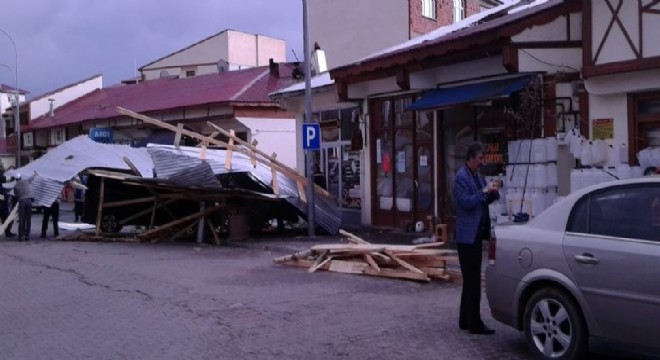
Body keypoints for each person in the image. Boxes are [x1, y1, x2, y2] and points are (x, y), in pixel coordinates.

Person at [453, 142, 500, 335]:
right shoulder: (461, 177)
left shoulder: (476, 175)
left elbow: (483, 201)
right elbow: (466, 202)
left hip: (476, 235)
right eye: (480, 158)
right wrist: (483, 192)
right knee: (472, 282)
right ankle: (475, 323)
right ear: (471, 158)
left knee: (470, 281)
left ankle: (465, 320)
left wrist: (493, 192)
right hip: (466, 237)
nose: (482, 162)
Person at [14, 171, 37, 242]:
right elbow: (32, 178)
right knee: (28, 219)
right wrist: (35, 174)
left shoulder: (16, 186)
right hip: (29, 201)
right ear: (20, 177)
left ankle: (21, 236)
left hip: (22, 202)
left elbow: (16, 196)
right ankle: (27, 236)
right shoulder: (26, 181)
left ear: (16, 179)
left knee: (21, 219)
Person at [0, 173, 16, 238]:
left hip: (2, 205)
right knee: (7, 218)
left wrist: (13, 178)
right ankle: (8, 232)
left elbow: (4, 179)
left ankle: (8, 232)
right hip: (2, 205)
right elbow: (4, 178)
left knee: (7, 218)